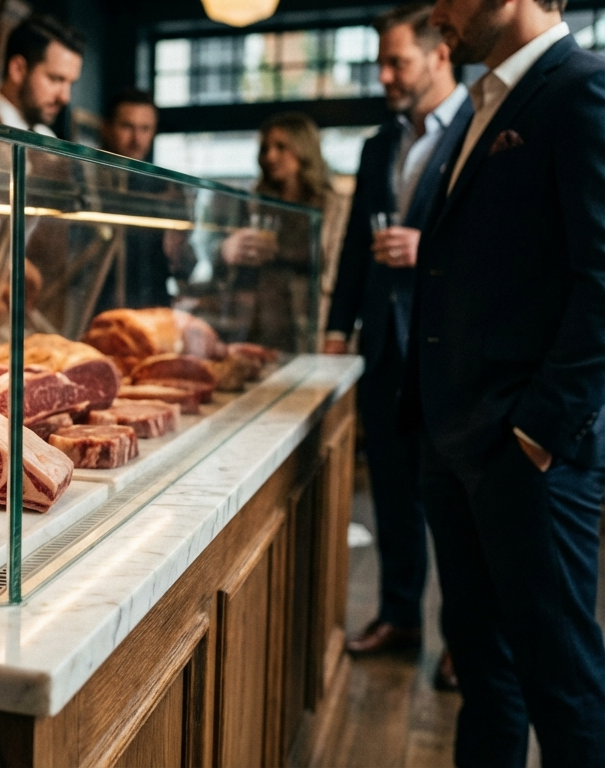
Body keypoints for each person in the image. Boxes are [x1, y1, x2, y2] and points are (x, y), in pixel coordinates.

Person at [405, 0, 605, 763]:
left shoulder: (582, 87)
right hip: (455, 444)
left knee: (564, 689)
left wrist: (537, 435)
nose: (435, 11)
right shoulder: (485, 99)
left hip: (526, 459)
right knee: (486, 679)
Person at [325, 4, 471, 694]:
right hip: (384, 347)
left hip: (454, 348)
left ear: (440, 54)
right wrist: (337, 328)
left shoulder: (480, 128)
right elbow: (356, 250)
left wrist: (428, 248)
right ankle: (399, 616)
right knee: (390, 493)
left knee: (458, 504)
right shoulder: (377, 145)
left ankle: (465, 640)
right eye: (382, 62)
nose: (384, 76)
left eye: (397, 62)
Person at [215, 113, 351, 351]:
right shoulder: (254, 204)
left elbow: (337, 267)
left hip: (312, 324)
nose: (270, 156)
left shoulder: (334, 205)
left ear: (303, 148)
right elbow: (228, 268)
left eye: (281, 147)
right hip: (259, 324)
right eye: (265, 148)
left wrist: (337, 332)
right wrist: (227, 250)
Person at [94, 88, 196, 312]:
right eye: (127, 127)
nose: (136, 139)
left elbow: (184, 268)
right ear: (107, 128)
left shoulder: (166, 188)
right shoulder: (86, 179)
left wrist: (179, 249)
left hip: (153, 309)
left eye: (145, 129)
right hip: (96, 310)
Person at [0, 13, 83, 135]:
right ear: (18, 69)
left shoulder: (46, 135)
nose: (65, 98)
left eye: (70, 83)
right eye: (55, 79)